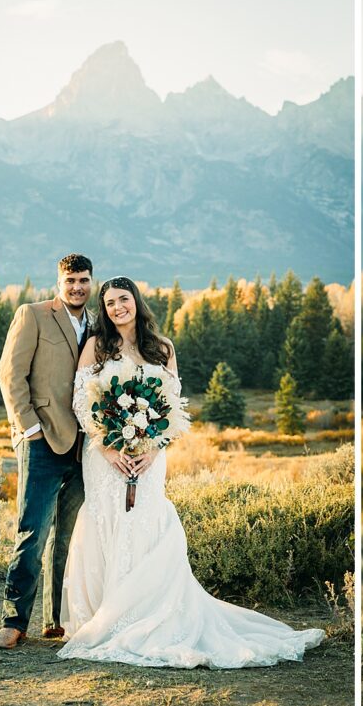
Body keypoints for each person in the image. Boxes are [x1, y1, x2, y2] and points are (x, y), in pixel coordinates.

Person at [58, 275, 325, 668]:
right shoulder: (96, 347)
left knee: (144, 524)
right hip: (104, 457)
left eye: (124, 299)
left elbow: (171, 406)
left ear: (136, 302)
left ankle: (149, 615)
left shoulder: (162, 348)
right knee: (107, 522)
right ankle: (105, 614)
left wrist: (153, 449)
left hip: (149, 458)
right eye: (110, 302)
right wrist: (109, 446)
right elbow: (82, 403)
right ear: (104, 309)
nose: (118, 308)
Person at [0, 254, 94, 649]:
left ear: (91, 282)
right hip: (41, 442)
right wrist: (29, 428)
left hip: (84, 446)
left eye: (84, 280)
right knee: (32, 533)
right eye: (70, 280)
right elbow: (10, 374)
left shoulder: (95, 325)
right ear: (59, 282)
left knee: (67, 537)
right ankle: (13, 620)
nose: (77, 287)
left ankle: (55, 620)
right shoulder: (33, 315)